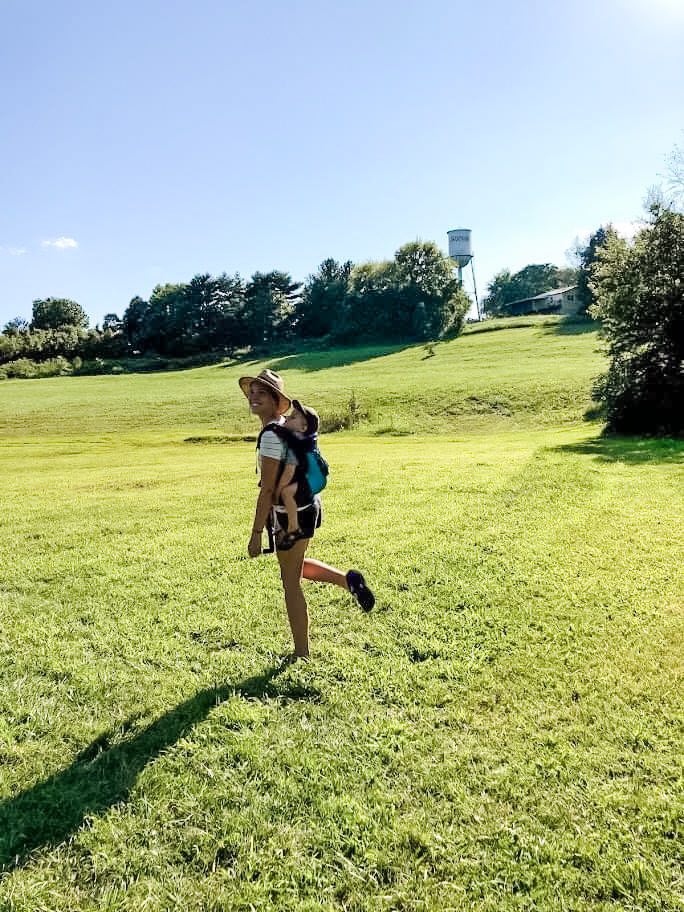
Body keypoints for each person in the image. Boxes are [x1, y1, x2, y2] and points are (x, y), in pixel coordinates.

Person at [238, 369, 375, 660]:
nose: (254, 397)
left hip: (293, 514)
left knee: (290, 583)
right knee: (294, 567)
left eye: (262, 393)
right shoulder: (283, 428)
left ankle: (301, 653)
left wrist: (255, 533)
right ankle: (348, 580)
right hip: (307, 506)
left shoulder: (273, 435)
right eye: (252, 392)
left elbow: (268, 490)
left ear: (276, 401)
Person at [272, 399, 324, 551]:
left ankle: (293, 527)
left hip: (304, 481)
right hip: (307, 480)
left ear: (303, 427)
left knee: (286, 492)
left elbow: (288, 473)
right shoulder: (302, 439)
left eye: (293, 417)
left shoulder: (296, 445)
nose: (287, 417)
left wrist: (277, 491)